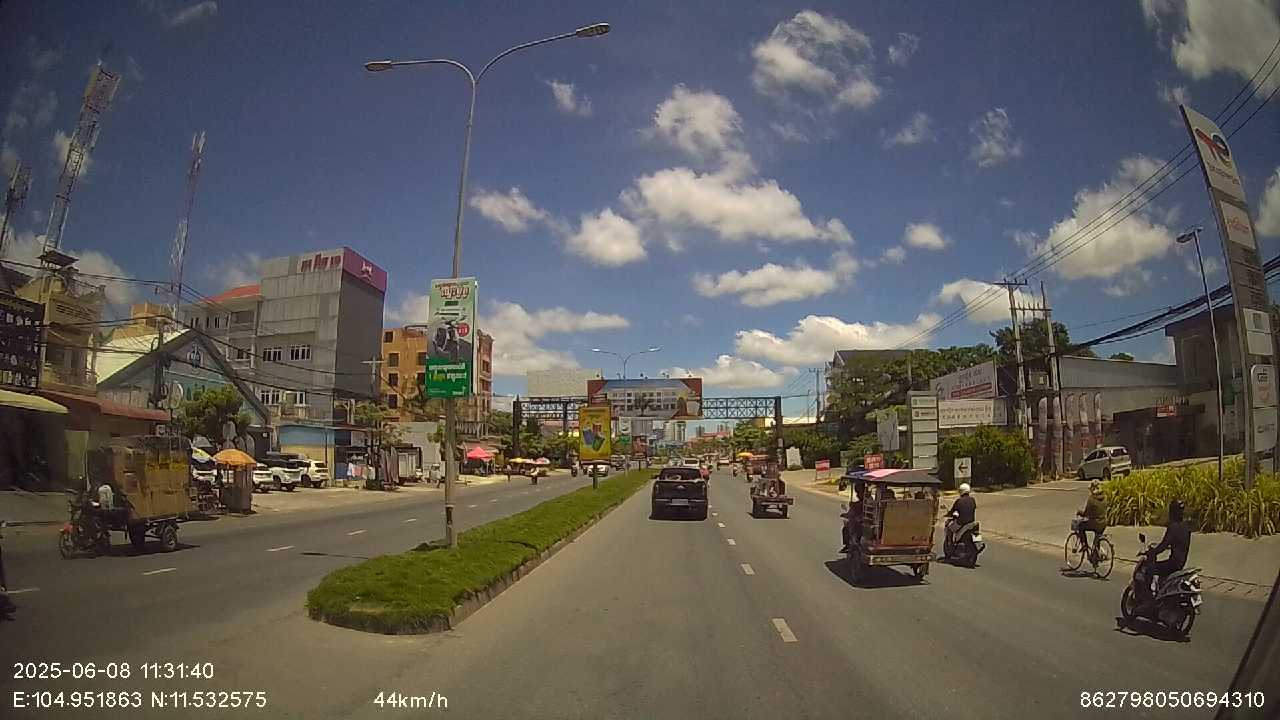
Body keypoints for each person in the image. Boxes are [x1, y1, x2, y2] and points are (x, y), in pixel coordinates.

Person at [1144, 499, 1191, 598]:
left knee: (1151, 568)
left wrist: (1152, 552)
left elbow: (1163, 546)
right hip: (1182, 562)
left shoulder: (1173, 528)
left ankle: (1152, 594)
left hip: (1173, 563)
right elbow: (1179, 542)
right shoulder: (1186, 526)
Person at [1075, 480, 1108, 561]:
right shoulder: (1105, 497)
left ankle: (1084, 545)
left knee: (1080, 526)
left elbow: (1086, 513)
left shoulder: (1091, 499)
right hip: (1103, 522)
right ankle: (1095, 556)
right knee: (1097, 537)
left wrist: (1079, 512)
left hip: (1095, 523)